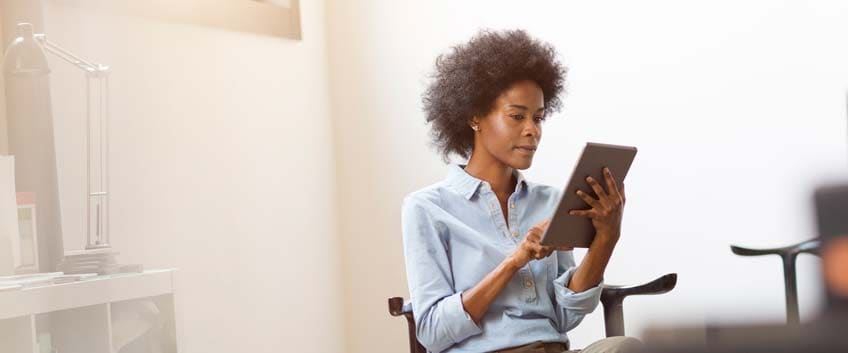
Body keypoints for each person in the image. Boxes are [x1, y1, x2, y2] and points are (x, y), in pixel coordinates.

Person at [401, 29, 641, 353]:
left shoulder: (551, 202)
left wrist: (606, 238)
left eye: (538, 118)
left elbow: (564, 316)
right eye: (517, 116)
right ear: (474, 116)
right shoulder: (427, 209)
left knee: (624, 347)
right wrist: (514, 261)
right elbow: (431, 331)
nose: (532, 130)